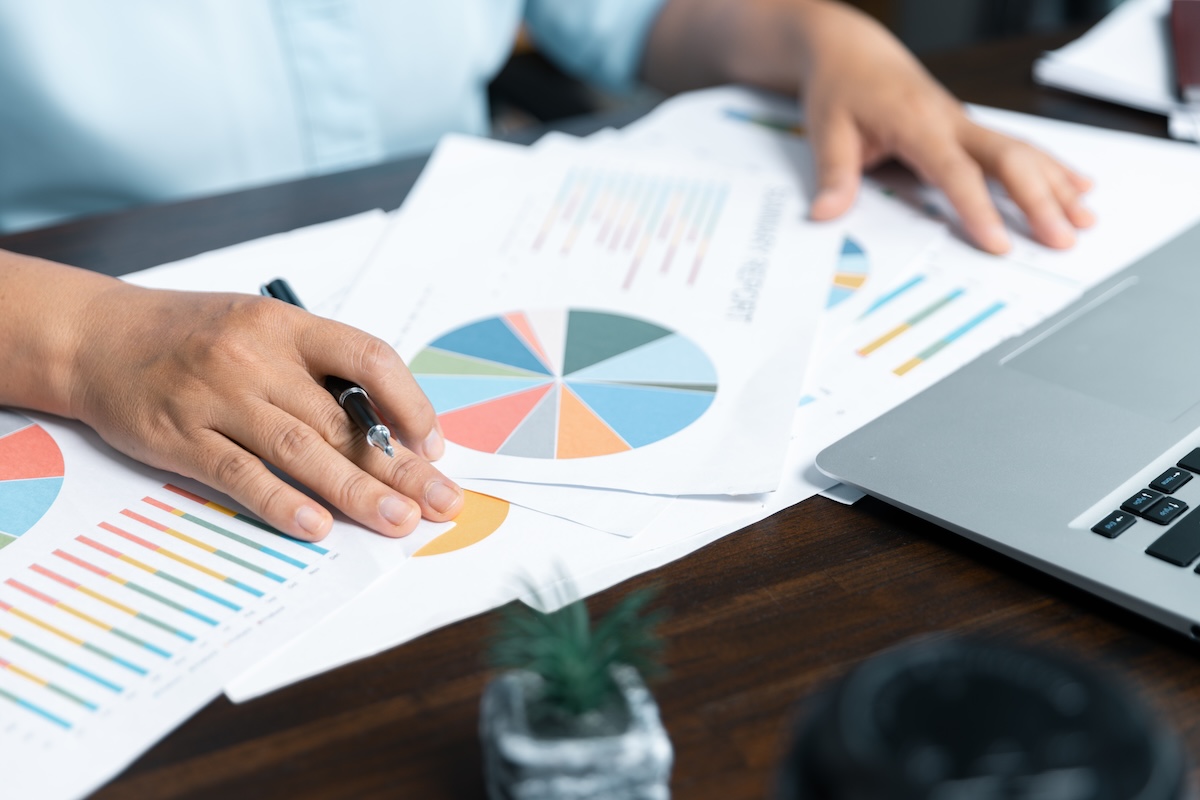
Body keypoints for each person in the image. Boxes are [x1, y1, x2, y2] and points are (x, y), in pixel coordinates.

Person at [0, 0, 1094, 543]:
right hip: (76, 346)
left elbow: (640, 17)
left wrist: (822, 35)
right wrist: (86, 339)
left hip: (458, 294)